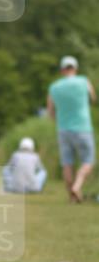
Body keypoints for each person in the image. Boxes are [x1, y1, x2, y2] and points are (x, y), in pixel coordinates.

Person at [47, 55, 96, 203]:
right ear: (75, 68)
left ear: (62, 70)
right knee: (88, 161)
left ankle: (72, 197)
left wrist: (58, 121)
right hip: (83, 127)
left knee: (67, 163)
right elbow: (93, 98)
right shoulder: (83, 81)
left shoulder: (54, 87)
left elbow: (50, 111)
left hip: (63, 129)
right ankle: (77, 185)